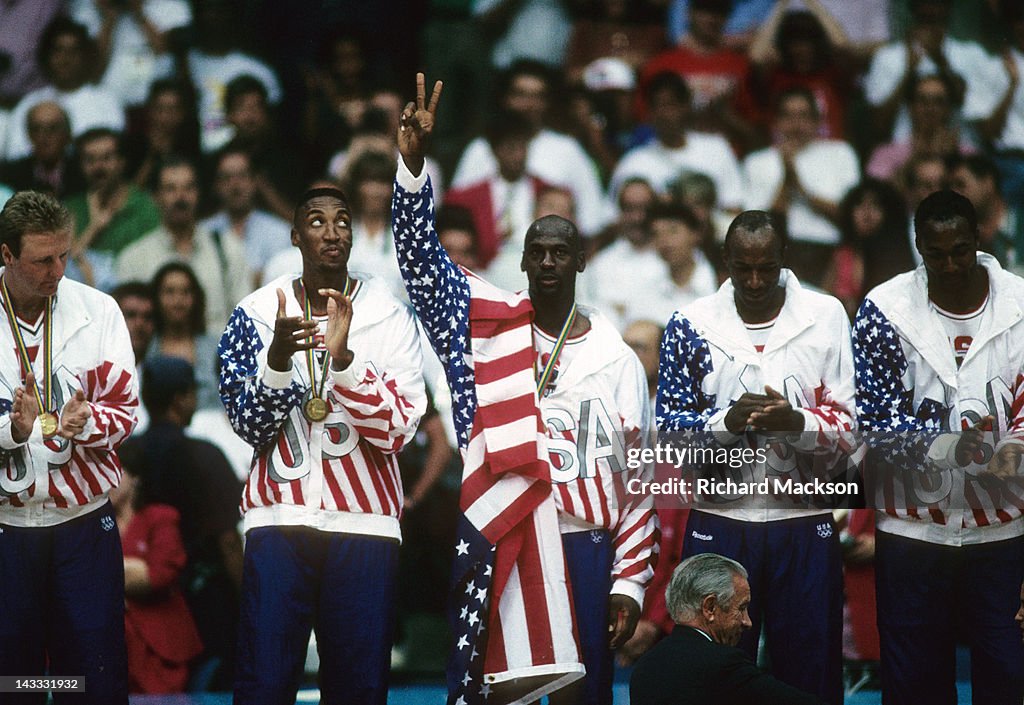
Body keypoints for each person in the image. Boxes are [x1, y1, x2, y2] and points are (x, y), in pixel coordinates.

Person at [394, 73, 658, 705]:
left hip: (584, 545)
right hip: (502, 534)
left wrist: (630, 583)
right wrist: (411, 167)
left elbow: (640, 480)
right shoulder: (488, 323)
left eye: (559, 252)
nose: (546, 261)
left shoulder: (616, 356)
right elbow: (422, 264)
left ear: (581, 260)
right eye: (536, 251)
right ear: (521, 259)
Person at [218, 181, 426, 704]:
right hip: (278, 520)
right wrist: (278, 364)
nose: (332, 233)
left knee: (357, 688)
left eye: (342, 221)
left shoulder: (388, 313)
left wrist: (346, 364)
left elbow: (399, 430)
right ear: (294, 236)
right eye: (316, 222)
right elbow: (247, 425)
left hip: (366, 524)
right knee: (264, 684)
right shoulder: (256, 312)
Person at [657, 210, 856, 704]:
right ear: (724, 261)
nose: (753, 280)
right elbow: (672, 440)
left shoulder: (825, 314)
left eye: (765, 268)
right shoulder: (691, 323)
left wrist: (798, 422)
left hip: (803, 515)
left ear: (783, 260)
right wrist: (728, 423)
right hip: (722, 518)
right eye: (742, 268)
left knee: (811, 667)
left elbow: (853, 430)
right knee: (718, 671)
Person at [852, 189, 1024, 705]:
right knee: (914, 685)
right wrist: (953, 449)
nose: (949, 264)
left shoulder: (1021, 302)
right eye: (936, 253)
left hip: (1003, 531)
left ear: (978, 240)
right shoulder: (883, 308)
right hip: (913, 530)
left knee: (1009, 676)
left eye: (960, 250)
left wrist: (1004, 455)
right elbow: (878, 425)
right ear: (918, 248)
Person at [0, 190, 138, 703]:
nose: (58, 270)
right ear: (6, 254)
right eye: (42, 260)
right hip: (7, 530)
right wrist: (18, 430)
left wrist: (83, 421)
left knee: (92, 681)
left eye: (64, 254)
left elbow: (125, 415)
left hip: (83, 526)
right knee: (16, 684)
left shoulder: (98, 310)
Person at [120, 355, 243, 691]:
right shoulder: (205, 456)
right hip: (203, 604)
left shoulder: (127, 454)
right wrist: (249, 601)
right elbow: (228, 540)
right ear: (180, 398)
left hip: (135, 605)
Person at [630, 553, 825, 705]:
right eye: (741, 608)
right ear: (710, 608)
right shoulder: (723, 665)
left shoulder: (645, 666)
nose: (747, 622)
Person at [741, 87, 860, 287]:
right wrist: (786, 180)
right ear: (777, 122)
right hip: (778, 255)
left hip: (830, 252)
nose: (796, 125)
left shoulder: (840, 153)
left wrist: (803, 191)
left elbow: (851, 218)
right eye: (788, 116)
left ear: (817, 121)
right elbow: (755, 229)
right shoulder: (758, 161)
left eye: (803, 116)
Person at [115, 158, 251, 333]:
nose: (181, 197)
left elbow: (245, 316)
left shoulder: (227, 248)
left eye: (189, 188)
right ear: (155, 197)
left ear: (198, 194)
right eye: (171, 189)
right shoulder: (134, 258)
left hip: (217, 355)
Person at [111, 438, 203, 694]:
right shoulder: (88, 524)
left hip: (158, 651)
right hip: (107, 647)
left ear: (135, 477)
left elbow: (159, 575)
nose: (103, 481)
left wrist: (101, 578)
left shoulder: (161, 517)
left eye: (113, 472)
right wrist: (132, 569)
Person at [65, 127, 161, 291]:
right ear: (81, 165)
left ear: (122, 162)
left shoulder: (144, 205)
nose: (98, 167)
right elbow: (64, 268)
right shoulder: (70, 208)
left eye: (107, 158)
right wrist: (94, 228)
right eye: (90, 160)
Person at [200, 145, 293, 290]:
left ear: (254, 181)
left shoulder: (280, 232)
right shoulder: (203, 231)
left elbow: (283, 282)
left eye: (242, 176)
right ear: (217, 185)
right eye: (227, 178)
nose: (235, 185)